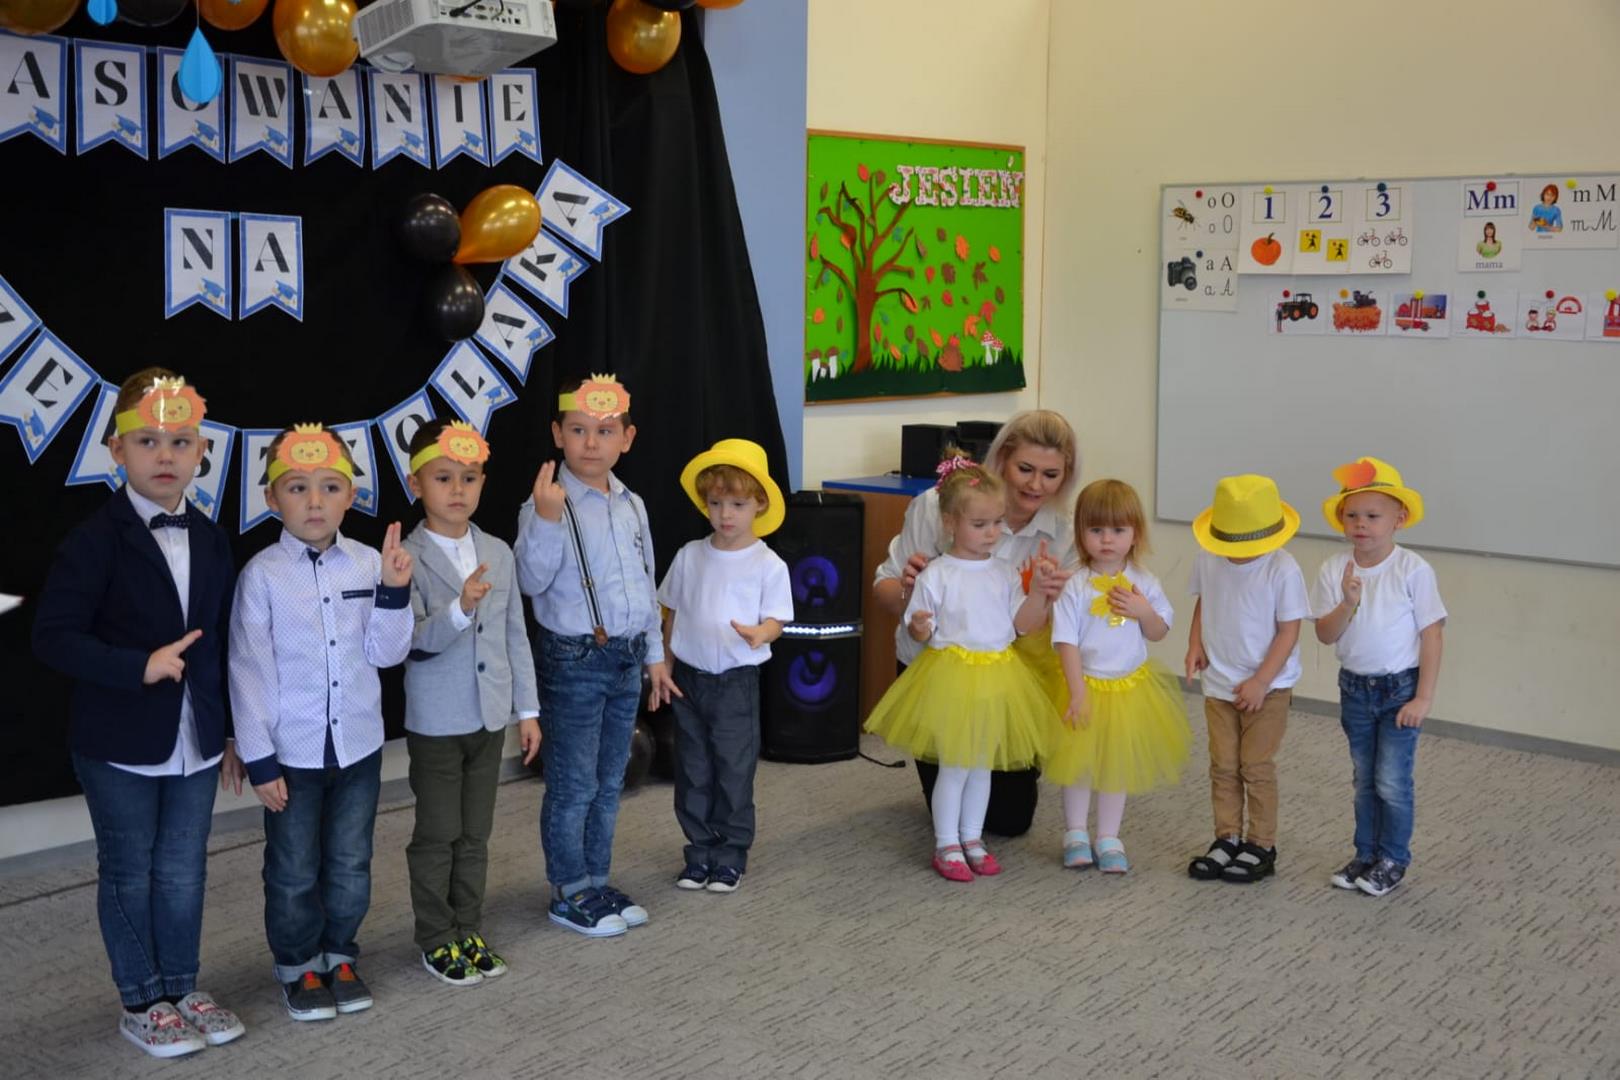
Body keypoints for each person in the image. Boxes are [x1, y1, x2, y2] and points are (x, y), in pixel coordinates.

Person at [33, 370, 245, 1058]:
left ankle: (182, 987)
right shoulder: (95, 539)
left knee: (184, 869)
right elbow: (52, 636)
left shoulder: (211, 537)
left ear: (200, 452)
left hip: (195, 739)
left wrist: (231, 729)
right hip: (118, 739)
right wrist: (137, 666)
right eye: (147, 441)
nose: (165, 455)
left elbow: (223, 643)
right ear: (117, 450)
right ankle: (141, 999)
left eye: (180, 442)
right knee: (129, 869)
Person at [228, 424, 414, 1021]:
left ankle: (340, 952)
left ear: (351, 496)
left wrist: (394, 590)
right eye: (297, 487)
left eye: (330, 487)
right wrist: (259, 758)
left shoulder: (368, 563)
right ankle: (298, 963)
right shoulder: (261, 575)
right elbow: (249, 670)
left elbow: (387, 654)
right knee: (292, 868)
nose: (314, 501)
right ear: (271, 498)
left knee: (350, 861)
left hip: (358, 747)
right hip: (292, 754)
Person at [515, 374, 679, 937]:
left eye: (605, 431)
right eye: (579, 430)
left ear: (626, 439)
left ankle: (596, 879)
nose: (591, 443)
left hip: (626, 656)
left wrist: (655, 654)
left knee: (611, 781)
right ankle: (568, 889)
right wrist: (545, 519)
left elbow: (645, 583)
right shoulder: (544, 504)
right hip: (574, 661)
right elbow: (531, 581)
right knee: (574, 784)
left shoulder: (633, 505)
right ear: (557, 434)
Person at [872, 411, 1079, 836]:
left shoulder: (1063, 531)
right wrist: (911, 593)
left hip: (1006, 675)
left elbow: (1031, 625)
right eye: (1025, 469)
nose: (1035, 485)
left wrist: (1045, 593)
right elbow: (885, 592)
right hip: (935, 673)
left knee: (1008, 821)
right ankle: (951, 836)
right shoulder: (937, 505)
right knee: (951, 786)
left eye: (1050, 475)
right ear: (1001, 458)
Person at [864, 460, 1057, 882]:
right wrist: (920, 625)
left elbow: (1021, 625)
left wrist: (1040, 594)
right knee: (955, 766)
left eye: (997, 523)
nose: (992, 532)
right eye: (980, 524)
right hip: (952, 678)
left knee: (982, 765)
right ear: (950, 523)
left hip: (997, 677)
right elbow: (919, 628)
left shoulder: (1005, 572)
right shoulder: (937, 573)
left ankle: (972, 837)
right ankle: (946, 842)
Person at [400, 420, 540, 985]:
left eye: (470, 477)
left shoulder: (497, 551)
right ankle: (436, 936)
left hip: (488, 715)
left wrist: (528, 711)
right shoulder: (406, 557)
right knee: (438, 833)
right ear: (416, 484)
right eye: (443, 478)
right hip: (436, 721)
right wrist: (459, 609)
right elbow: (410, 640)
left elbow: (515, 636)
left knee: (475, 833)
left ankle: (467, 927)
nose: (457, 489)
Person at [657, 439, 793, 893]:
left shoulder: (768, 564)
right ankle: (699, 852)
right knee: (692, 769)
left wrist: (761, 633)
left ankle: (731, 854)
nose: (725, 515)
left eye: (737, 504)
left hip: (736, 683)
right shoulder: (689, 555)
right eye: (715, 504)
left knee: (734, 770)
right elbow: (672, 612)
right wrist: (664, 664)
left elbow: (777, 619)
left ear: (759, 504)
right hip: (689, 680)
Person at [1310, 458, 1445, 898]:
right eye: (1352, 515)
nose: (1361, 524)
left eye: (1373, 515)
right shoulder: (1334, 569)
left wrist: (1423, 698)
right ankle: (1365, 853)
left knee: (1392, 780)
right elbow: (1325, 634)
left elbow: (1432, 634)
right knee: (1364, 779)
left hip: (1400, 689)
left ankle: (1393, 858)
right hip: (1355, 688)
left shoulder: (1413, 569)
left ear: (1398, 519)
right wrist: (1347, 603)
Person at [1044, 480, 1189, 875]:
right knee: (1078, 765)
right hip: (1084, 684)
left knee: (1115, 765)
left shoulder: (1145, 582)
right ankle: (1075, 833)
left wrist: (1143, 611)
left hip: (1128, 690)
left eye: (1118, 530)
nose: (1107, 540)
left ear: (1135, 534)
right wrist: (1077, 693)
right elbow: (1066, 641)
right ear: (1081, 534)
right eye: (1096, 529)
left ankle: (1108, 836)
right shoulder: (1074, 583)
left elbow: (1159, 631)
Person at [1182, 475, 1308, 884]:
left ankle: (1261, 844)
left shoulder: (1282, 569)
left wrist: (1260, 681)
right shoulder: (1208, 558)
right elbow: (1205, 601)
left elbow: (1289, 630)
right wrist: (1195, 643)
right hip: (1219, 683)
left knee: (1255, 766)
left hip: (1268, 689)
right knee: (1223, 766)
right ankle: (1227, 837)